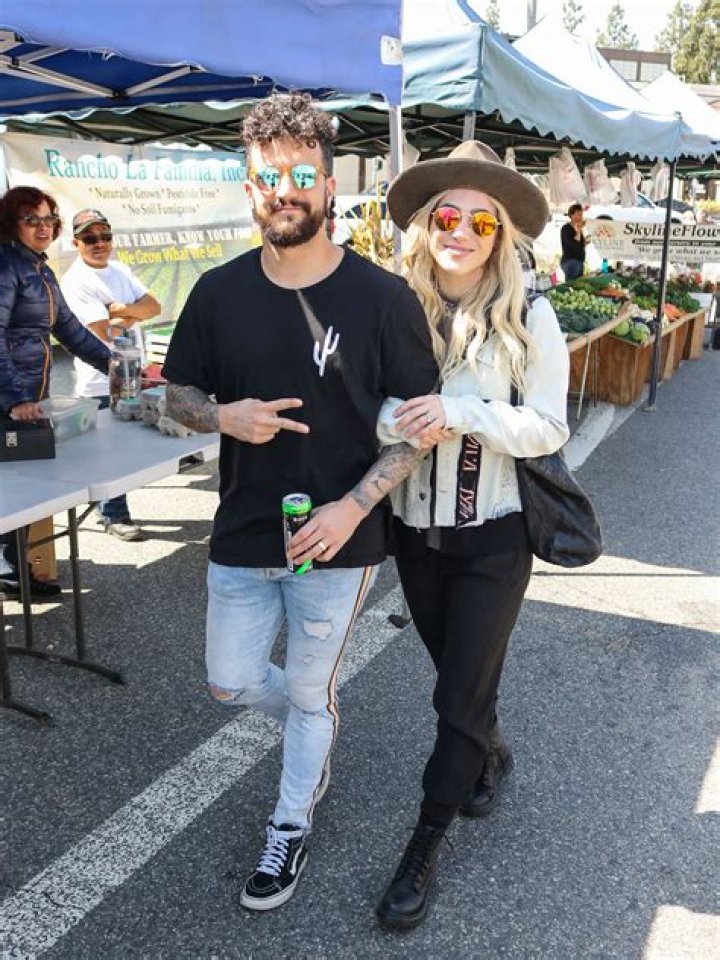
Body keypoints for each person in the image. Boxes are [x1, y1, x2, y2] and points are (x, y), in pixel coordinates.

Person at [161, 92, 438, 912]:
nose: (285, 191)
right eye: (268, 177)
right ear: (250, 188)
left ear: (329, 184)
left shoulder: (384, 299)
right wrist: (222, 417)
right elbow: (174, 394)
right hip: (243, 530)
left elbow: (418, 432)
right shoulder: (217, 293)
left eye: (302, 175)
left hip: (337, 542)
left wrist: (354, 508)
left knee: (311, 693)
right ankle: (316, 720)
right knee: (229, 683)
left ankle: (289, 823)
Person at [373, 140, 570, 930]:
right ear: (426, 224)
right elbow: (367, 405)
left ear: (499, 235)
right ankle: (488, 746)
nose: (461, 232)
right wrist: (396, 419)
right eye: (446, 216)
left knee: (454, 697)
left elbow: (548, 427)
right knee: (459, 679)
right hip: (415, 535)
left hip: (494, 537)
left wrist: (462, 413)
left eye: (481, 222)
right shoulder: (395, 307)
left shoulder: (531, 313)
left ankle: (423, 845)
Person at [0, 186, 110, 599]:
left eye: (48, 219)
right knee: (10, 488)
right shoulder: (6, 265)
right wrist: (15, 398)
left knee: (24, 486)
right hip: (10, 401)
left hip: (29, 398)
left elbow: (71, 331)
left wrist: (116, 368)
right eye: (32, 219)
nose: (43, 227)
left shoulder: (40, 270)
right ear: (11, 223)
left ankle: (13, 568)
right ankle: (9, 568)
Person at [61, 209, 161, 541]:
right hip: (99, 381)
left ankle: (110, 508)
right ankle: (113, 515)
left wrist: (122, 311)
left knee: (127, 449)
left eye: (104, 236)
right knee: (110, 453)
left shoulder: (119, 270)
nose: (99, 243)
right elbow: (104, 332)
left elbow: (155, 307)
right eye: (89, 238)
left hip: (132, 376)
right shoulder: (76, 280)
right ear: (76, 243)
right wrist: (131, 314)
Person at [560, 203, 588, 281]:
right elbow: (574, 244)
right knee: (572, 284)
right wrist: (579, 230)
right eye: (578, 214)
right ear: (571, 215)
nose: (581, 217)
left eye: (581, 214)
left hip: (578, 261)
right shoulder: (566, 228)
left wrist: (585, 242)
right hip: (571, 261)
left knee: (578, 284)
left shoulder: (577, 228)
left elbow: (579, 244)